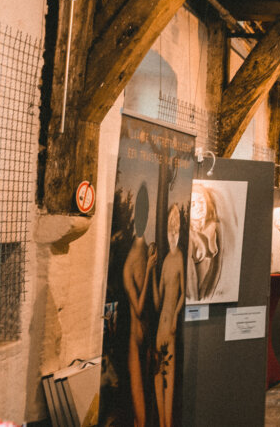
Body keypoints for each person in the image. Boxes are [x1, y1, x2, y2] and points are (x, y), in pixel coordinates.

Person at [122, 183, 156, 427]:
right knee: (140, 413)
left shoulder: (146, 250)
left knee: (148, 407)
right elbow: (139, 307)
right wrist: (151, 269)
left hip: (148, 336)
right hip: (135, 341)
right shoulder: (132, 261)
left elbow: (154, 301)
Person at [153, 203, 184, 427]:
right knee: (157, 373)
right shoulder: (165, 261)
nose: (172, 229)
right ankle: (162, 421)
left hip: (169, 324)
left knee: (169, 376)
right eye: (170, 224)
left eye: (176, 224)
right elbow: (158, 299)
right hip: (160, 326)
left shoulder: (180, 257)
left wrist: (174, 317)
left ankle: (167, 423)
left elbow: (183, 292)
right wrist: (151, 272)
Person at [188, 184, 221, 300]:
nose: (199, 207)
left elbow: (217, 267)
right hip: (194, 297)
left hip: (208, 295)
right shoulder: (189, 235)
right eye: (193, 204)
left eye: (201, 202)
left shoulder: (213, 229)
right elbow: (190, 276)